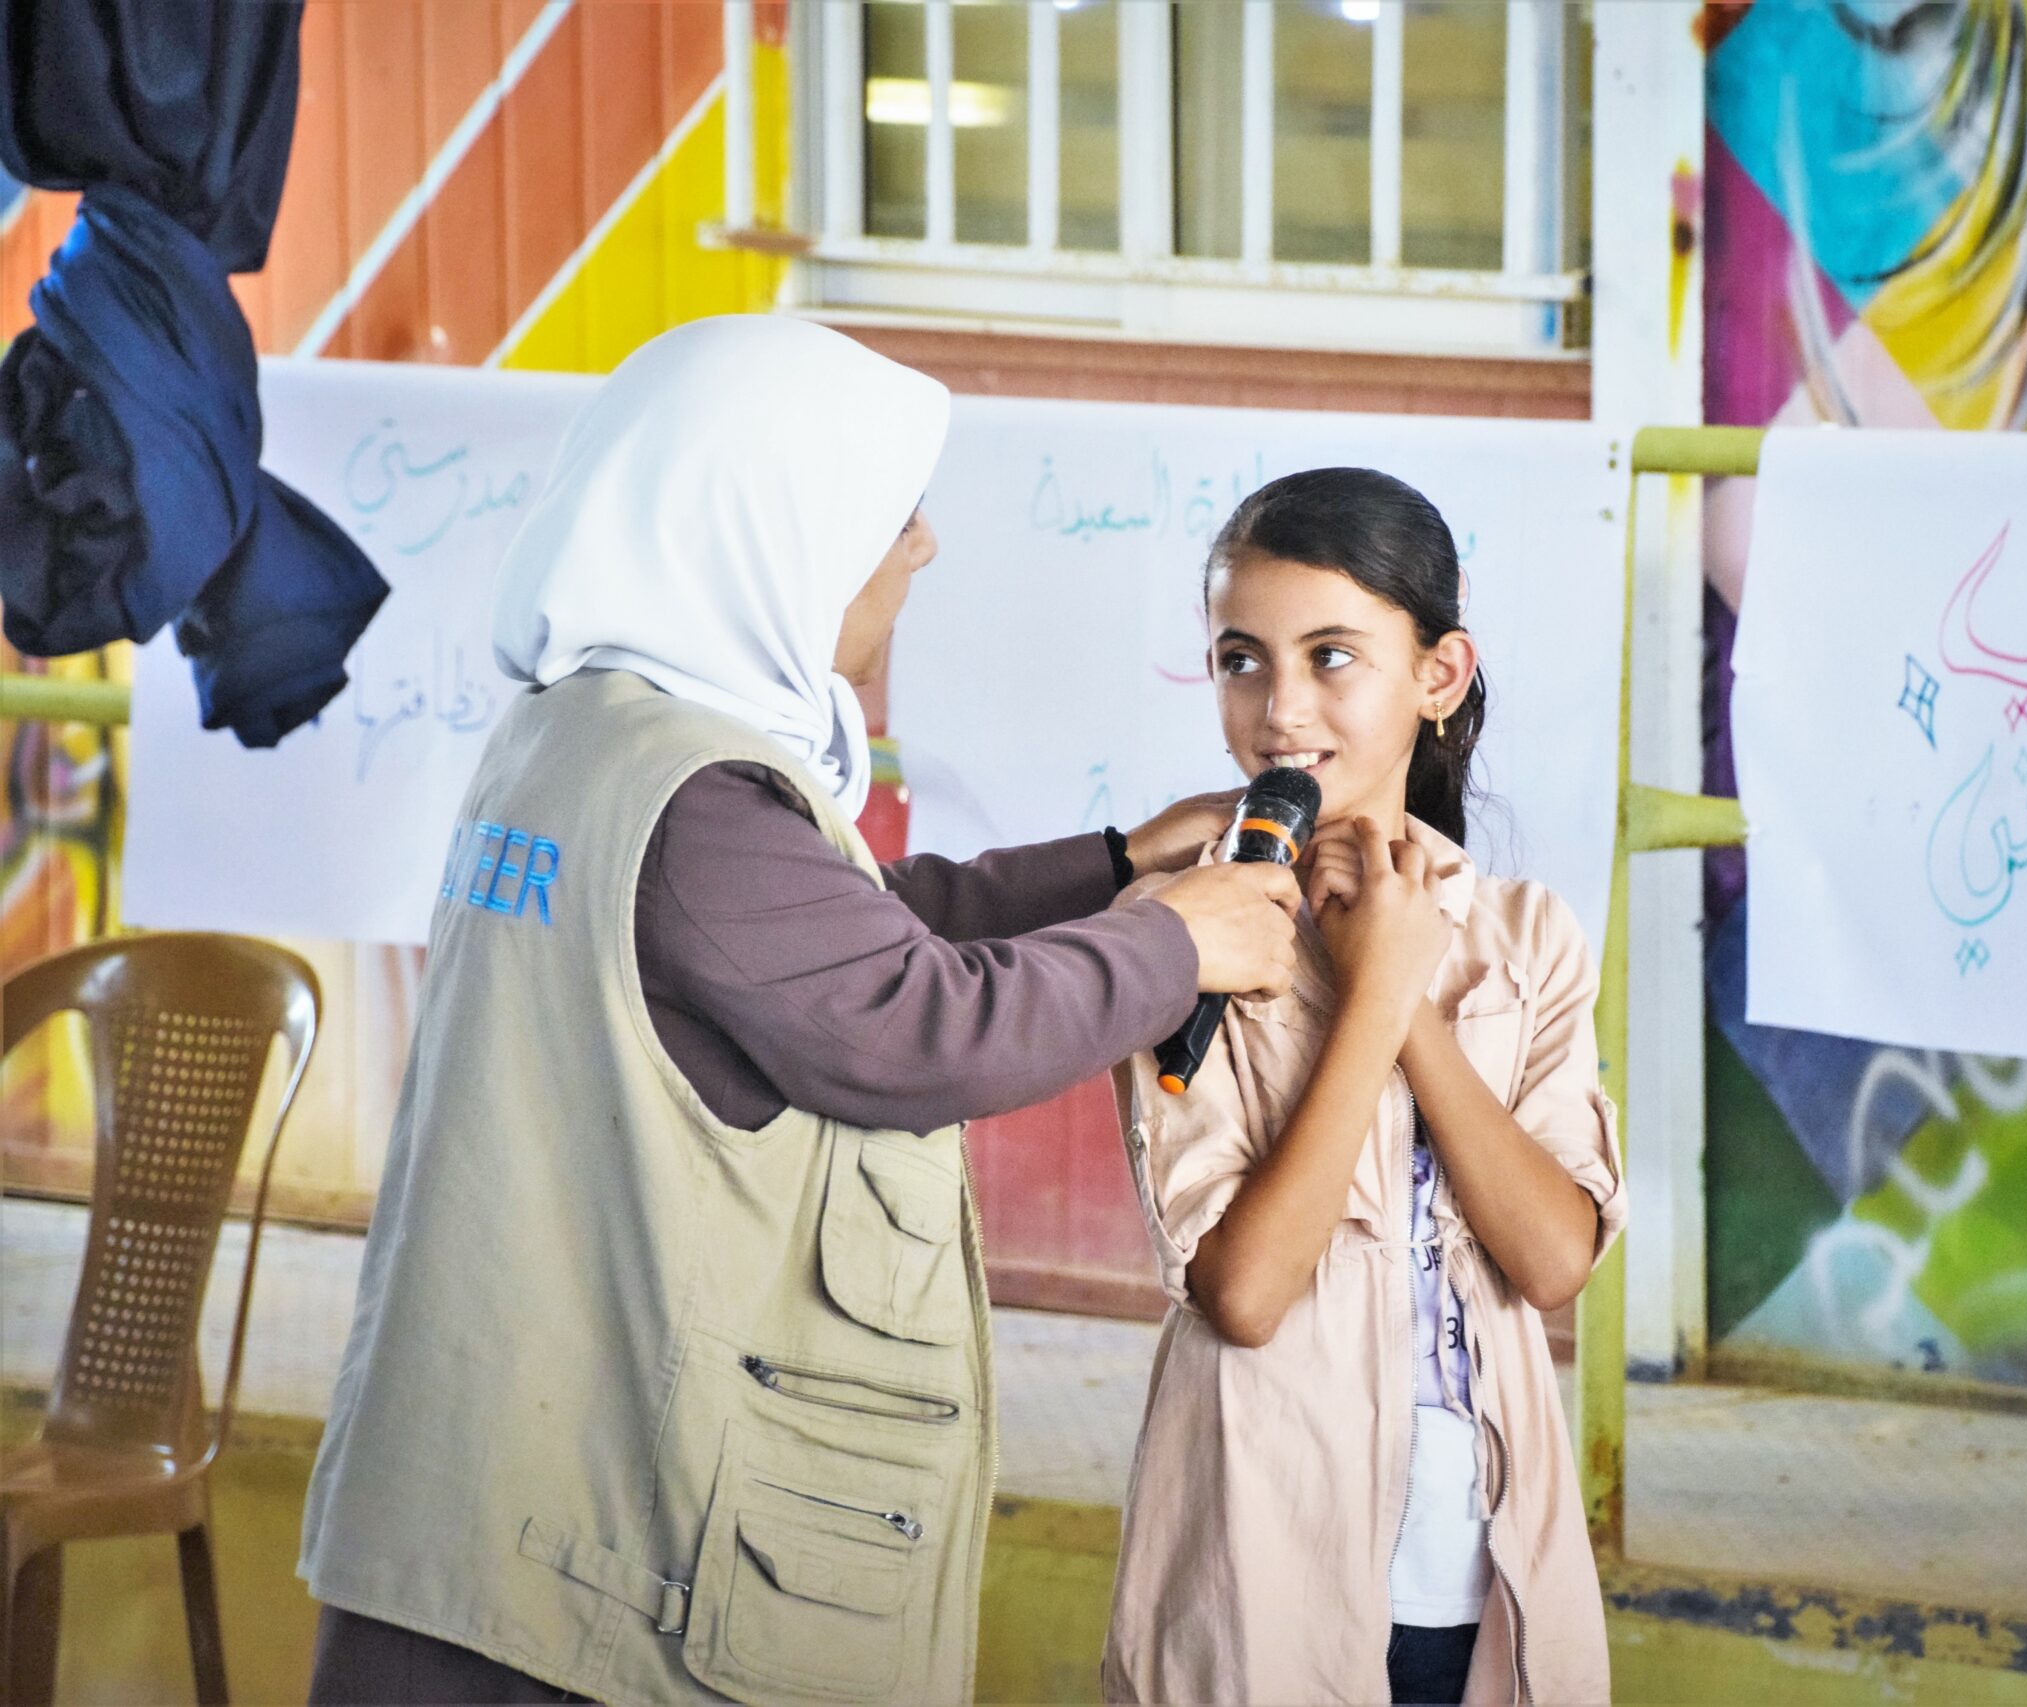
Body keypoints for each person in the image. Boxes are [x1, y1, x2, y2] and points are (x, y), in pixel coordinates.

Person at [298, 316, 1300, 1706]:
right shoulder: (694, 795)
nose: (924, 546)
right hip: (571, 1583)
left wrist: (1111, 861)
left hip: (489, 1515)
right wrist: (1169, 947)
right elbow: (902, 1021)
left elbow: (832, 927)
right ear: (781, 530)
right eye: (893, 514)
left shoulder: (593, 730)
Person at [1104, 469, 1626, 1705]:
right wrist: (1373, 999)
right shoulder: (1172, 935)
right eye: (1241, 660)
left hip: (1480, 1587)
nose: (1279, 709)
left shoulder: (1525, 934)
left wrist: (1400, 996)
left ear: (1436, 678)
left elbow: (1553, 1259)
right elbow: (1242, 1289)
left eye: (1331, 656)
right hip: (1254, 1578)